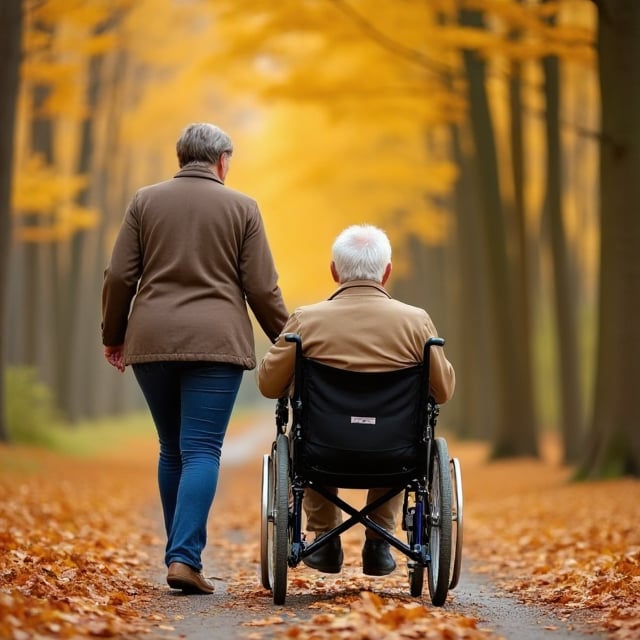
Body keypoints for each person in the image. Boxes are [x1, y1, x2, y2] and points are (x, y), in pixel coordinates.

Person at [102, 122, 288, 594]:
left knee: (172, 449)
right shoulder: (242, 207)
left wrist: (114, 334)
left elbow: (120, 275)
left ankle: (181, 556)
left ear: (182, 157)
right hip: (216, 343)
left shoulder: (145, 201)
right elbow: (261, 288)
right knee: (202, 449)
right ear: (222, 160)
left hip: (152, 341)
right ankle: (184, 557)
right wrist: (289, 340)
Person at [257, 224, 455, 576]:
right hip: (395, 456)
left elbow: (269, 385)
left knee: (306, 432)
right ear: (387, 272)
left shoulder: (306, 321)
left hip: (322, 452)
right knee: (403, 434)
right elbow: (443, 391)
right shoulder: (416, 323)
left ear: (334, 271)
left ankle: (326, 537)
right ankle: (379, 543)